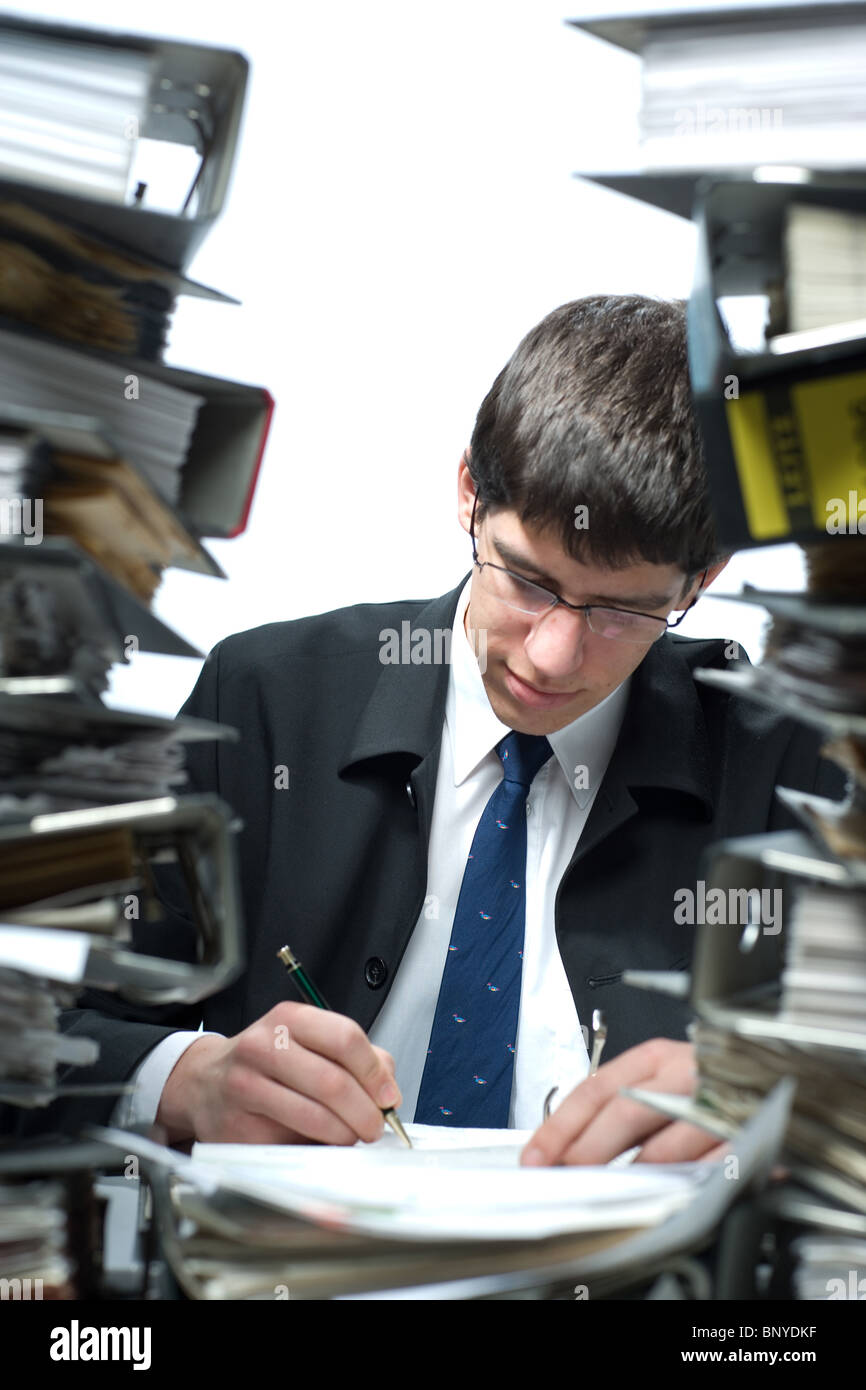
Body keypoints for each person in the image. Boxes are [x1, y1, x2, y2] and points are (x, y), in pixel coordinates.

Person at [7, 295, 841, 1161]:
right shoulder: (261, 701)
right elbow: (32, 1023)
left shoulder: (792, 760)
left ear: (701, 580)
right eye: (527, 581)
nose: (553, 657)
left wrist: (780, 1086)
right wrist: (184, 1081)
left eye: (624, 612)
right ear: (469, 493)